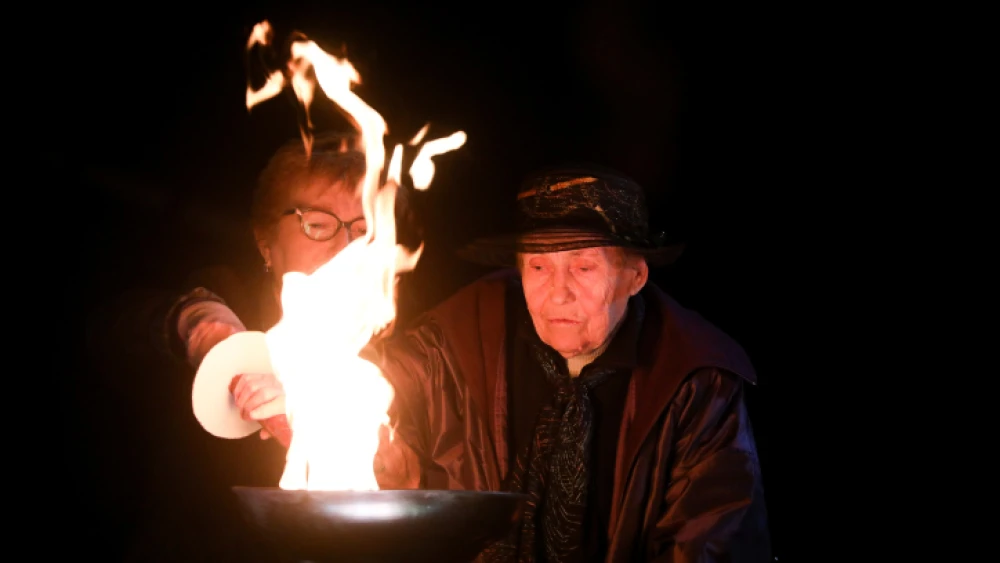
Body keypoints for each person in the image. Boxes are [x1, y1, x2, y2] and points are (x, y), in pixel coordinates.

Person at [233, 165, 773, 562]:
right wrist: (303, 394)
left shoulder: (698, 377)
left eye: (583, 267)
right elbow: (377, 385)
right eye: (538, 266)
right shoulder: (466, 328)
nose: (557, 294)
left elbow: (714, 544)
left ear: (634, 277)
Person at [83, 130, 420, 561]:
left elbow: (410, 485)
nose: (344, 248)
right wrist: (196, 325)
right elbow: (109, 330)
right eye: (316, 225)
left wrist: (381, 452)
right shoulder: (226, 295)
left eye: (363, 231)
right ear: (265, 243)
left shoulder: (394, 355)